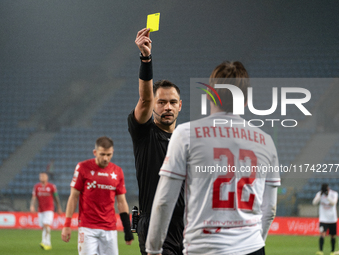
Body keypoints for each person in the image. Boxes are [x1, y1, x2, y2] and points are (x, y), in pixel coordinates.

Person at [145, 61, 281, 255]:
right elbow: (270, 209)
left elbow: (164, 201)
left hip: (205, 248)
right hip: (252, 247)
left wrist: (153, 250)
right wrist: (254, 243)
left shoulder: (186, 134)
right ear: (245, 100)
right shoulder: (266, 142)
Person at [128, 28, 184, 255]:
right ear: (153, 105)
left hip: (188, 226)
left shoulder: (187, 140)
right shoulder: (145, 134)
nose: (167, 107)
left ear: (180, 105)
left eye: (172, 102)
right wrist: (146, 59)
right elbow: (144, 97)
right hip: (156, 227)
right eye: (161, 102)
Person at [61, 136, 133, 255]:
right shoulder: (83, 167)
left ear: (113, 153)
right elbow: (73, 197)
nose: (105, 158)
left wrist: (127, 228)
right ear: (95, 152)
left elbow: (121, 201)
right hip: (87, 227)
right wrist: (67, 224)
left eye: (109, 155)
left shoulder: (117, 171)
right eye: (102, 154)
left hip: (109, 228)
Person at [30, 172, 63, 250]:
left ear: (47, 177)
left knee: (46, 225)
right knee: (43, 227)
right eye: (41, 176)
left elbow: (56, 198)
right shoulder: (36, 187)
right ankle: (48, 244)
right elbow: (34, 197)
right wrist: (32, 206)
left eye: (44, 176)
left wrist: (59, 207)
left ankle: (44, 241)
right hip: (40, 209)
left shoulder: (52, 186)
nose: (42, 177)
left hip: (49, 209)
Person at [313, 183, 338, 255]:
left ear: (328, 188)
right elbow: (314, 202)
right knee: (322, 234)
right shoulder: (319, 194)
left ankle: (332, 251)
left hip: (332, 219)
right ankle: (321, 251)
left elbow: (333, 203)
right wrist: (320, 195)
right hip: (323, 219)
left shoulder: (334, 194)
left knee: (333, 235)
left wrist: (327, 196)